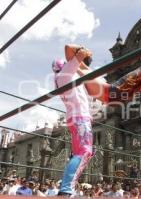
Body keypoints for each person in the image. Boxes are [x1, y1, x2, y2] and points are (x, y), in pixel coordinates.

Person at [53, 44, 94, 196]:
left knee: (80, 153)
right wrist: (84, 50)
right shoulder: (65, 74)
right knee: (84, 152)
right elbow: (78, 52)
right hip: (79, 117)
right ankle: (66, 189)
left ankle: (67, 188)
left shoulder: (60, 78)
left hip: (75, 118)